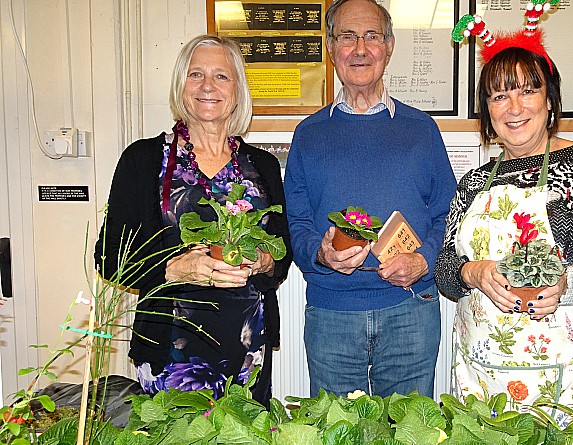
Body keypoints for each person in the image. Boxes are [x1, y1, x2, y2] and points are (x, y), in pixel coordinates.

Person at [435, 21, 573, 424]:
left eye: (527, 91)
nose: (513, 108)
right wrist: (472, 272)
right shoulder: (473, 183)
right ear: (488, 110)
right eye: (499, 96)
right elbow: (444, 272)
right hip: (483, 377)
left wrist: (568, 285)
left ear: (549, 99)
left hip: (565, 374)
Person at [95, 35, 292, 406]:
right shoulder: (144, 159)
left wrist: (267, 261)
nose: (207, 86)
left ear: (237, 90)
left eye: (221, 76)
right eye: (195, 74)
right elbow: (108, 255)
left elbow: (282, 251)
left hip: (248, 343)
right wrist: (173, 268)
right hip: (171, 346)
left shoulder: (262, 166)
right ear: (180, 85)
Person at [284, 0, 456, 398]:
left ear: (389, 46)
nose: (359, 48)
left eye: (371, 36)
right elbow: (298, 223)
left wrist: (423, 260)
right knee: (335, 433)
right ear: (331, 47)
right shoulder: (308, 134)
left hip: (411, 310)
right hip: (331, 314)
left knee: (410, 431)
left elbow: (448, 212)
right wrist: (322, 255)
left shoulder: (421, 129)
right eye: (347, 36)